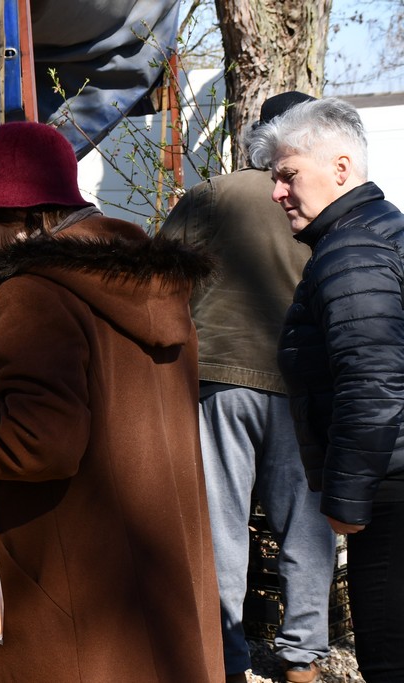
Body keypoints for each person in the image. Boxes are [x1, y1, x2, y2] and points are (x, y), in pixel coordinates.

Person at [0, 120, 225, 682]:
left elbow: (38, 441)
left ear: (22, 219)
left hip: (70, 605)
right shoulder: (151, 285)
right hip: (146, 599)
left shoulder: (33, 292)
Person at [159, 91, 336, 683]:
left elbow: (159, 279)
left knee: (221, 529)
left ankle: (226, 661)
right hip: (302, 384)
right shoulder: (331, 198)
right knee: (305, 529)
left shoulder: (215, 194)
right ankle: (303, 660)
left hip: (220, 378)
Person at [248, 97, 404, 683]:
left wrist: (346, 499)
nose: (276, 192)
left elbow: (372, 380)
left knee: (391, 660)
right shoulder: (379, 230)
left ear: (341, 169)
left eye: (288, 175)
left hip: (390, 490)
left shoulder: (352, 250)